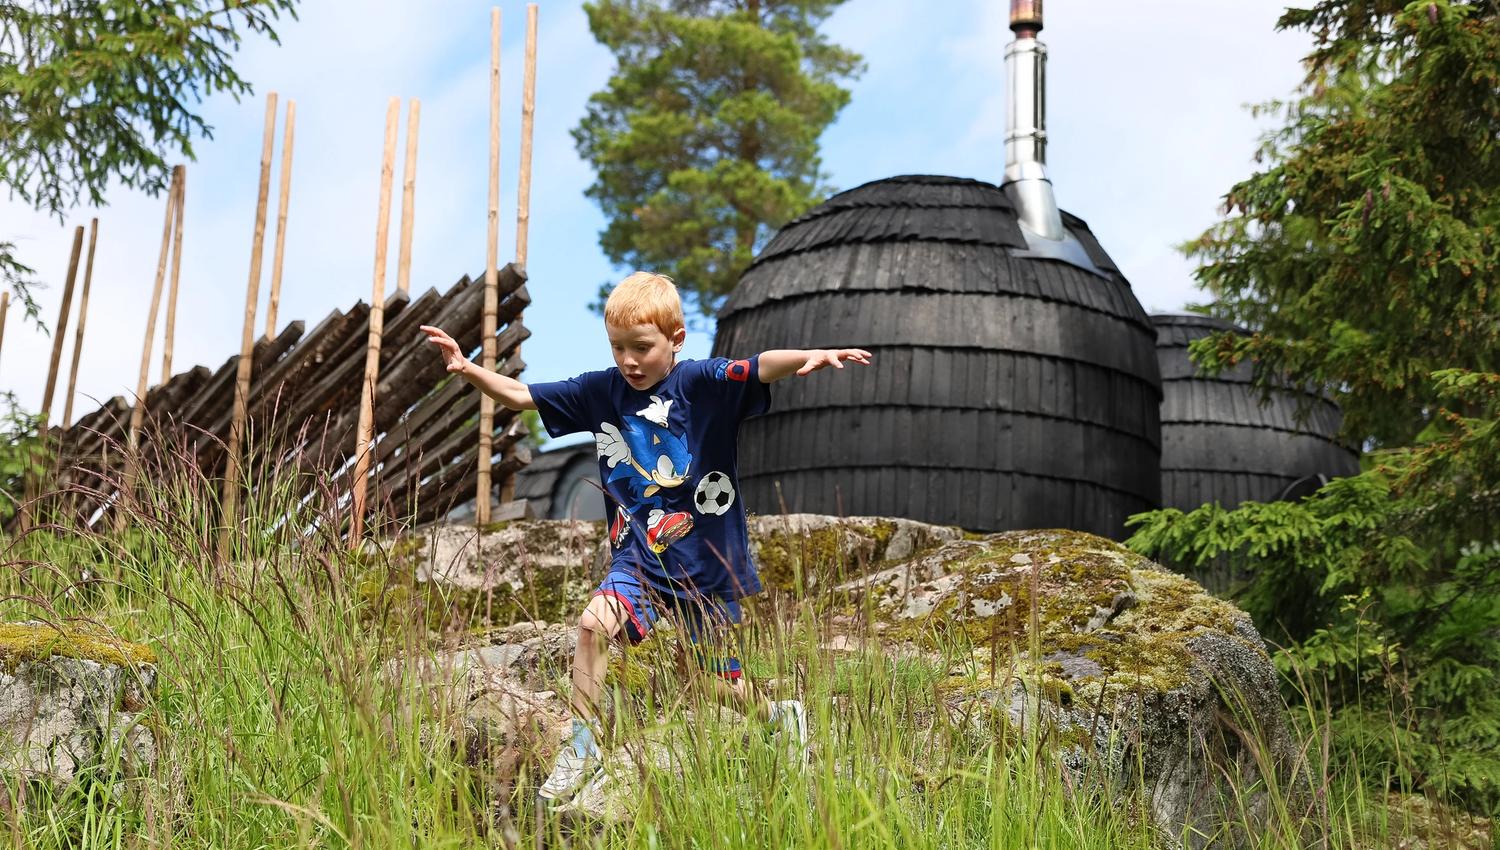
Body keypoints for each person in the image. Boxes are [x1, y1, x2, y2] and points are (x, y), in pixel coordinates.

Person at [420, 271, 871, 803]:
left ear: (675, 340)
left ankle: (780, 715)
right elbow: (521, 395)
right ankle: (582, 748)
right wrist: (468, 368)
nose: (629, 361)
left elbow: (758, 365)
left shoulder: (701, 383)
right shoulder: (602, 391)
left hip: (704, 562)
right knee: (592, 626)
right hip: (637, 554)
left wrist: (806, 358)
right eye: (618, 348)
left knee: (709, 682)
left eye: (642, 348)